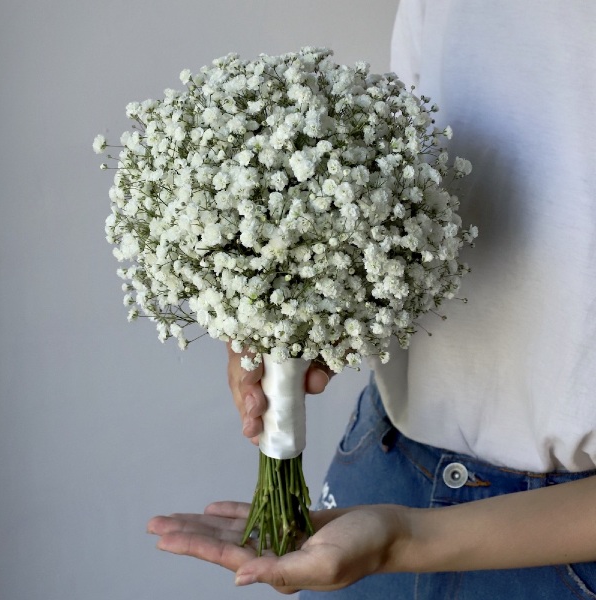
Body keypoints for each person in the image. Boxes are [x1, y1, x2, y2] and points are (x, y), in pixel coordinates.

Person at [147, 1, 596, 597]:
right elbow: (410, 185)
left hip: (556, 542)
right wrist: (284, 315)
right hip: (385, 465)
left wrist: (404, 539)